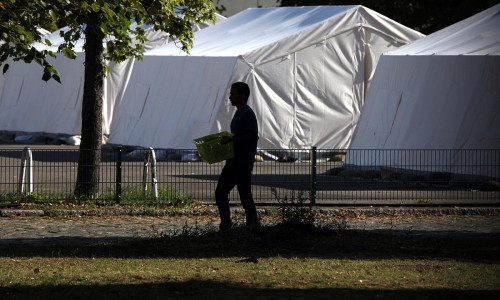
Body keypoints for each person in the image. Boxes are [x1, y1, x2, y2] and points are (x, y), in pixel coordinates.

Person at [215, 82, 259, 231]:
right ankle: (227, 224)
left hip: (242, 162)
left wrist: (232, 139)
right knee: (223, 192)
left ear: (243, 96)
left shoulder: (247, 113)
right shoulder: (239, 113)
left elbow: (252, 136)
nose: (230, 97)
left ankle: (250, 224)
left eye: (233, 94)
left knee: (243, 193)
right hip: (234, 160)